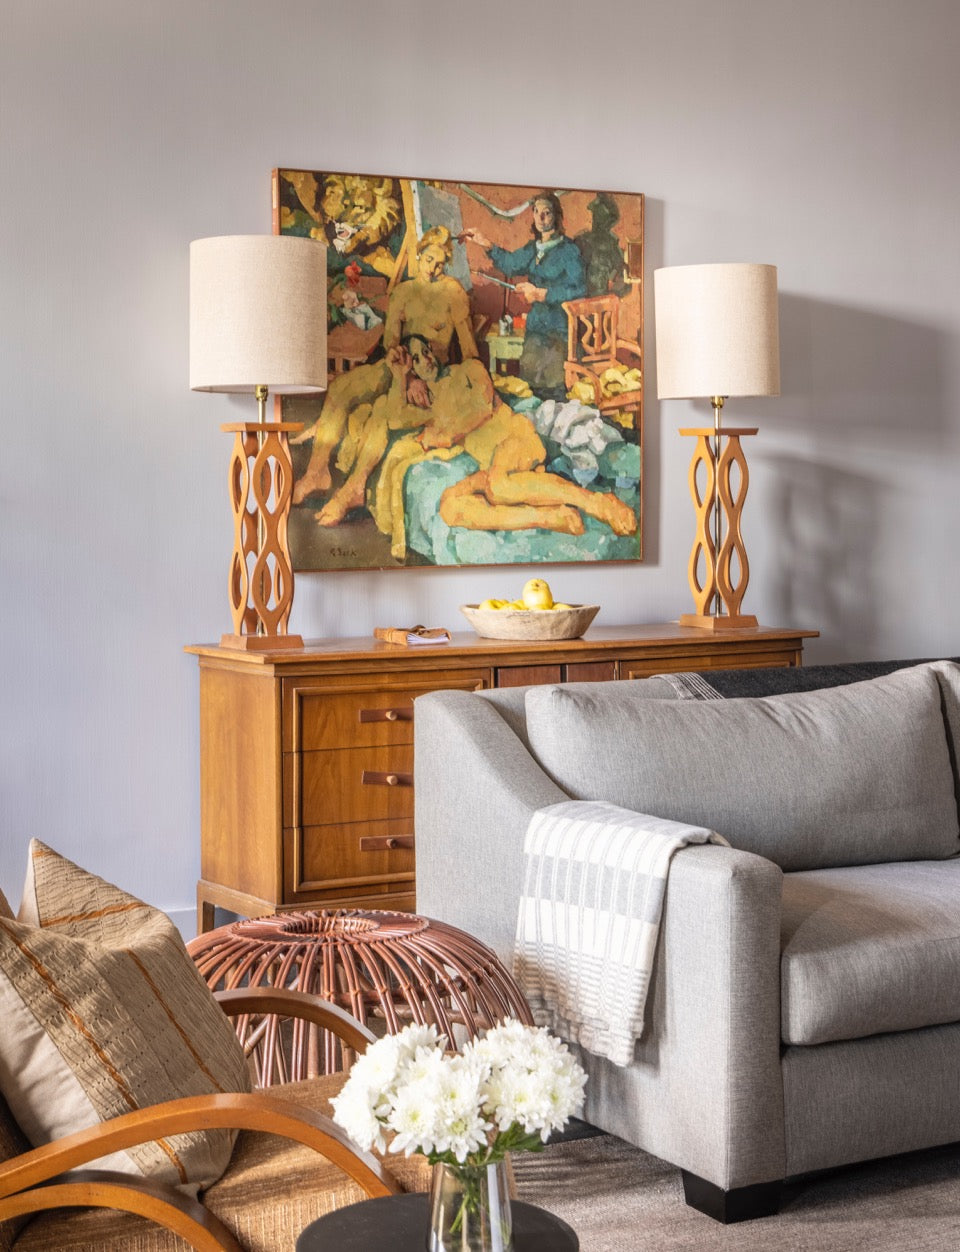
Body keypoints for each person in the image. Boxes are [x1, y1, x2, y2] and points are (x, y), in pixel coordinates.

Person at [370, 335, 637, 559]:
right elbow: (394, 419)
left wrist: (448, 435)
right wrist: (400, 375)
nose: (426, 359)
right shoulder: (430, 403)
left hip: (515, 437)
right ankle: (549, 517)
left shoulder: (469, 369)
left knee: (498, 485)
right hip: (493, 464)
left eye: (426, 351)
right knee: (450, 506)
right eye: (416, 358)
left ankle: (596, 502)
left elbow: (484, 406)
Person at [292, 225, 478, 510]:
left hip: (431, 373)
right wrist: (403, 372)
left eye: (440, 265)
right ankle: (317, 473)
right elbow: (391, 342)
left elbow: (469, 353)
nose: (433, 269)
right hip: (397, 364)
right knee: (342, 387)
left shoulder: (453, 293)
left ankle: (353, 490)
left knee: (382, 411)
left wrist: (433, 382)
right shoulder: (403, 292)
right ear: (419, 255)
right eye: (429, 260)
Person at [462, 192, 585, 401]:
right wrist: (485, 243)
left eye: (546, 213)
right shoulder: (532, 249)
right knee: (529, 389)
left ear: (557, 216)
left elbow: (579, 290)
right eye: (536, 212)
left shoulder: (569, 251)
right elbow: (510, 264)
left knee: (554, 392)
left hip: (559, 332)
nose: (541, 218)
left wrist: (542, 294)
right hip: (535, 330)